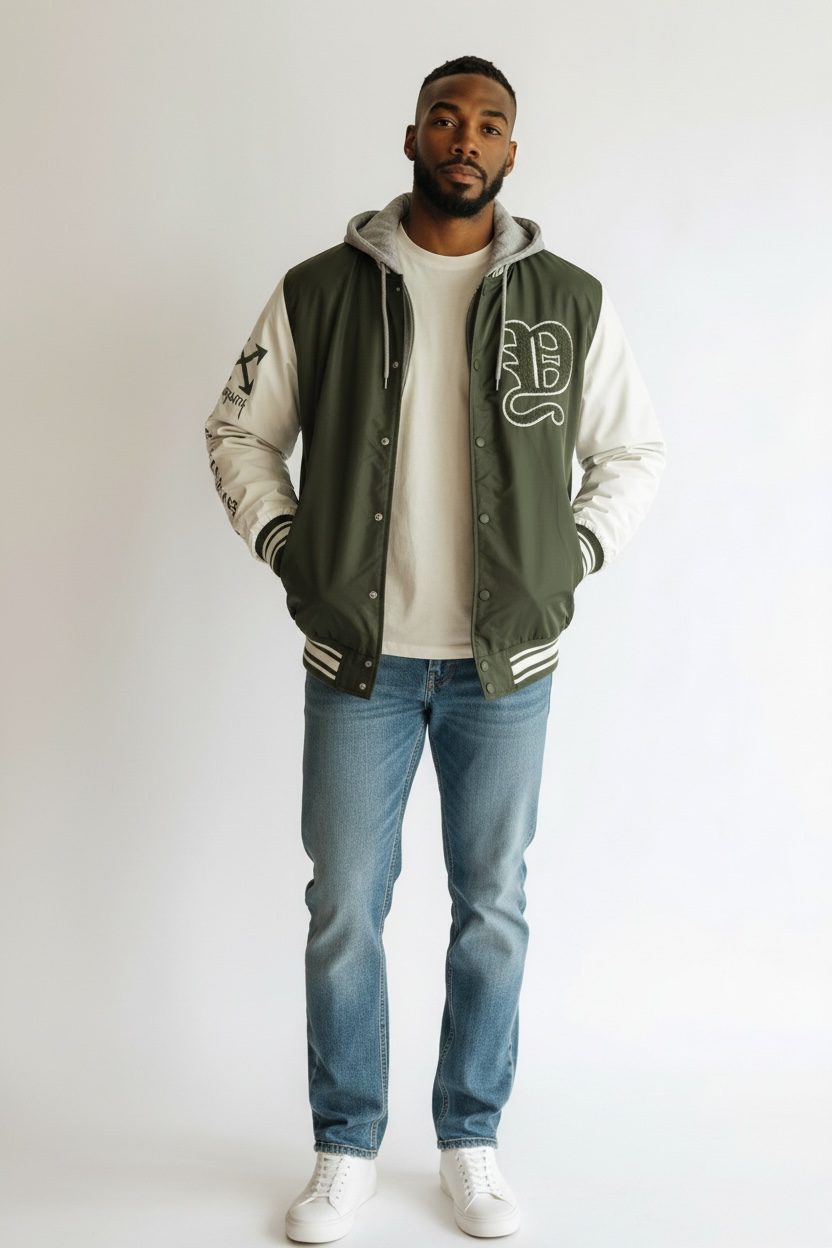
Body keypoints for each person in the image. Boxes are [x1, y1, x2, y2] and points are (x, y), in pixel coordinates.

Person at [206, 54, 664, 1243]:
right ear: (411, 136)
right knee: (345, 907)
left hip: (503, 669)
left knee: (492, 906)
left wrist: (573, 558)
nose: (466, 138)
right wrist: (288, 546)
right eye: (446, 119)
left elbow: (631, 454)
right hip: (358, 664)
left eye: (490, 124)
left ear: (512, 151)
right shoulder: (319, 290)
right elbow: (239, 430)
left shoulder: (568, 300)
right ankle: (345, 1145)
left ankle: (469, 1140)